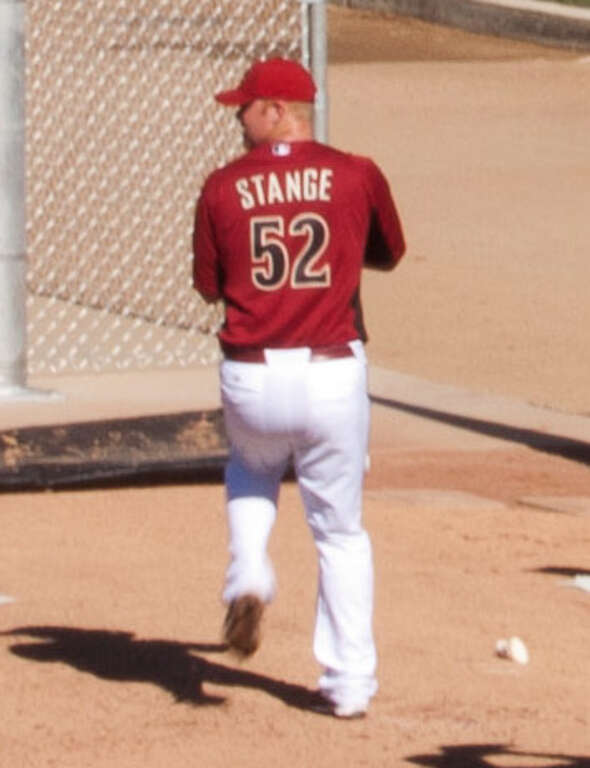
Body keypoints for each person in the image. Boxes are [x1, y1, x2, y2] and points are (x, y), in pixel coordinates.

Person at [192, 57, 405, 719]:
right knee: (339, 533)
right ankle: (349, 684)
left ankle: (249, 567)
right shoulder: (357, 173)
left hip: (252, 372)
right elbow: (389, 251)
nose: (238, 116)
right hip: (331, 371)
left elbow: (208, 285)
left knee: (250, 467)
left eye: (246, 105)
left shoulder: (222, 186)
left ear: (278, 110)